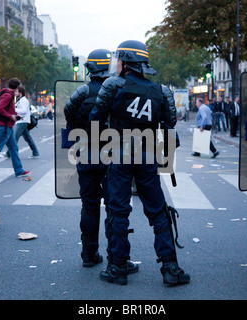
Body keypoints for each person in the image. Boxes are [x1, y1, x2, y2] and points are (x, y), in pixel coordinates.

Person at [90, 40, 190, 286]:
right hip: (148, 156)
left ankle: (117, 269)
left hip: (119, 155)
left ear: (125, 62)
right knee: (158, 212)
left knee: (118, 211)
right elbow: (171, 124)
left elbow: (96, 118)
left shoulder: (113, 85)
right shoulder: (161, 90)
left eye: (118, 60)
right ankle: (171, 269)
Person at [64, 49, 137, 270]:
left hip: (86, 153)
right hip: (113, 155)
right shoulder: (119, 90)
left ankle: (88, 253)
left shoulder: (82, 92)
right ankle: (116, 258)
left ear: (89, 69)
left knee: (89, 205)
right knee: (114, 208)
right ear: (109, 66)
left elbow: (69, 114)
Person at [0, 78, 30, 178]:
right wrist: (11, 116)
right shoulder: (8, 95)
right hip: (4, 126)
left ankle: (19, 170)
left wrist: (15, 115)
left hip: (7, 126)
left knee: (14, 148)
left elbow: (7, 109)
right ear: (17, 87)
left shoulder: (7, 93)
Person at [6, 85, 39, 158]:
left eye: (16, 91)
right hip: (22, 121)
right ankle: (35, 152)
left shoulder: (23, 100)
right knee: (28, 138)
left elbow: (23, 111)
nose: (15, 93)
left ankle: (8, 153)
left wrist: (14, 110)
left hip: (22, 121)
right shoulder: (21, 100)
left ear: (20, 92)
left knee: (14, 138)